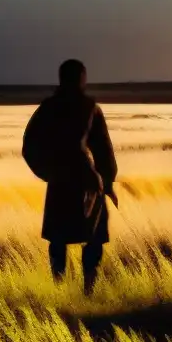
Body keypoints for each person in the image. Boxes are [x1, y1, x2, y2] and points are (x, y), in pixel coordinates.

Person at [21, 58, 118, 295]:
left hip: (64, 180)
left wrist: (48, 172)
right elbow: (103, 148)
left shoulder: (50, 107)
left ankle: (62, 289)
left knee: (60, 238)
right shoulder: (88, 107)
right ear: (81, 78)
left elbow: (29, 146)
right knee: (89, 239)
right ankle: (87, 291)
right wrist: (107, 182)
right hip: (84, 180)